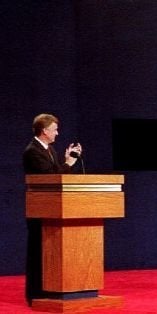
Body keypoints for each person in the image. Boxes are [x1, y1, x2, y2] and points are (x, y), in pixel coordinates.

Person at [22, 113, 82, 305]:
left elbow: (57, 176)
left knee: (49, 253)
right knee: (37, 253)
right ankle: (34, 294)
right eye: (54, 129)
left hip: (53, 211)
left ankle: (47, 289)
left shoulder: (50, 150)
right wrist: (68, 164)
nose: (57, 133)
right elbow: (49, 178)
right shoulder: (32, 151)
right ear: (44, 131)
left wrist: (66, 161)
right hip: (41, 210)